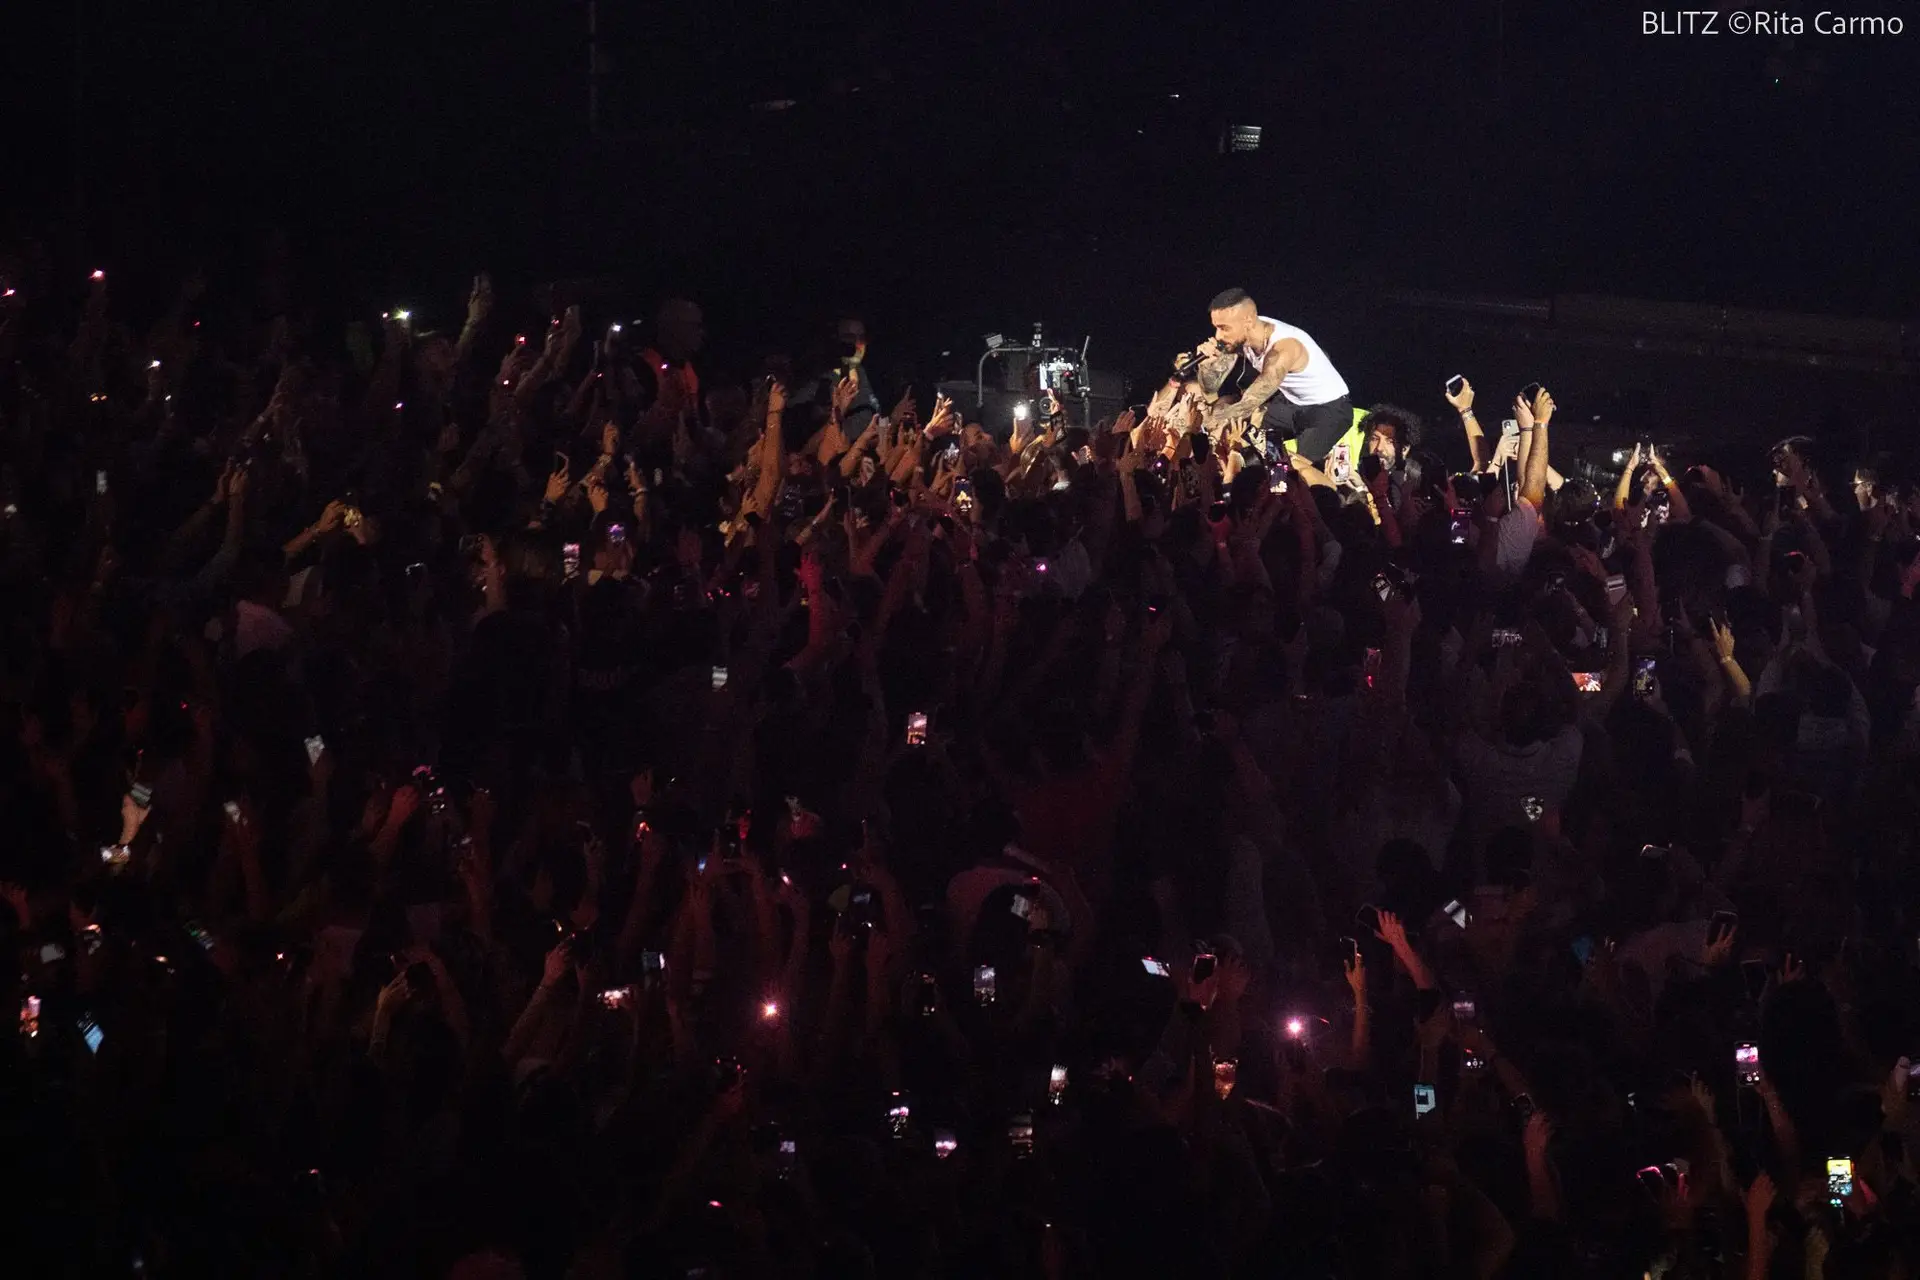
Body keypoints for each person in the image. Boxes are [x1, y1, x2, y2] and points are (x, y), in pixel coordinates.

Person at [1193, 287, 1352, 465]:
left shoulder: (1283, 349)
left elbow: (1248, 404)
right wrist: (1205, 365)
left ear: (1248, 321)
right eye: (1216, 327)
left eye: (1224, 328)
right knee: (1245, 435)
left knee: (1299, 470)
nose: (1218, 335)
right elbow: (1210, 386)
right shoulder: (1242, 336)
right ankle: (1262, 467)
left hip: (1329, 409)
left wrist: (1202, 425)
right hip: (1292, 404)